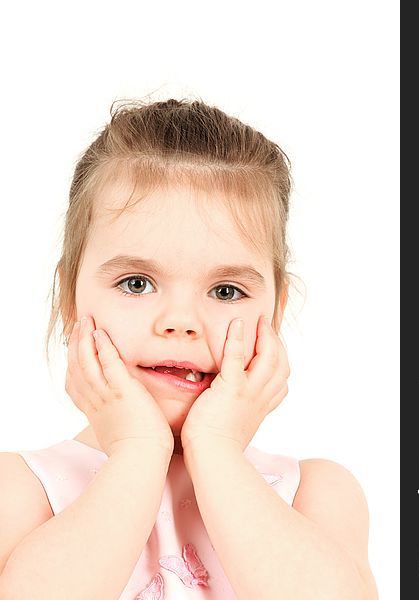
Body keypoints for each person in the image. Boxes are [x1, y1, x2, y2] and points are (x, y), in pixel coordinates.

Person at [0, 99, 378, 599]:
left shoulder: (314, 495)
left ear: (277, 310)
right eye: (136, 283)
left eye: (226, 292)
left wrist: (217, 447)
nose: (179, 322)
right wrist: (138, 449)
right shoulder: (24, 489)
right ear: (70, 296)